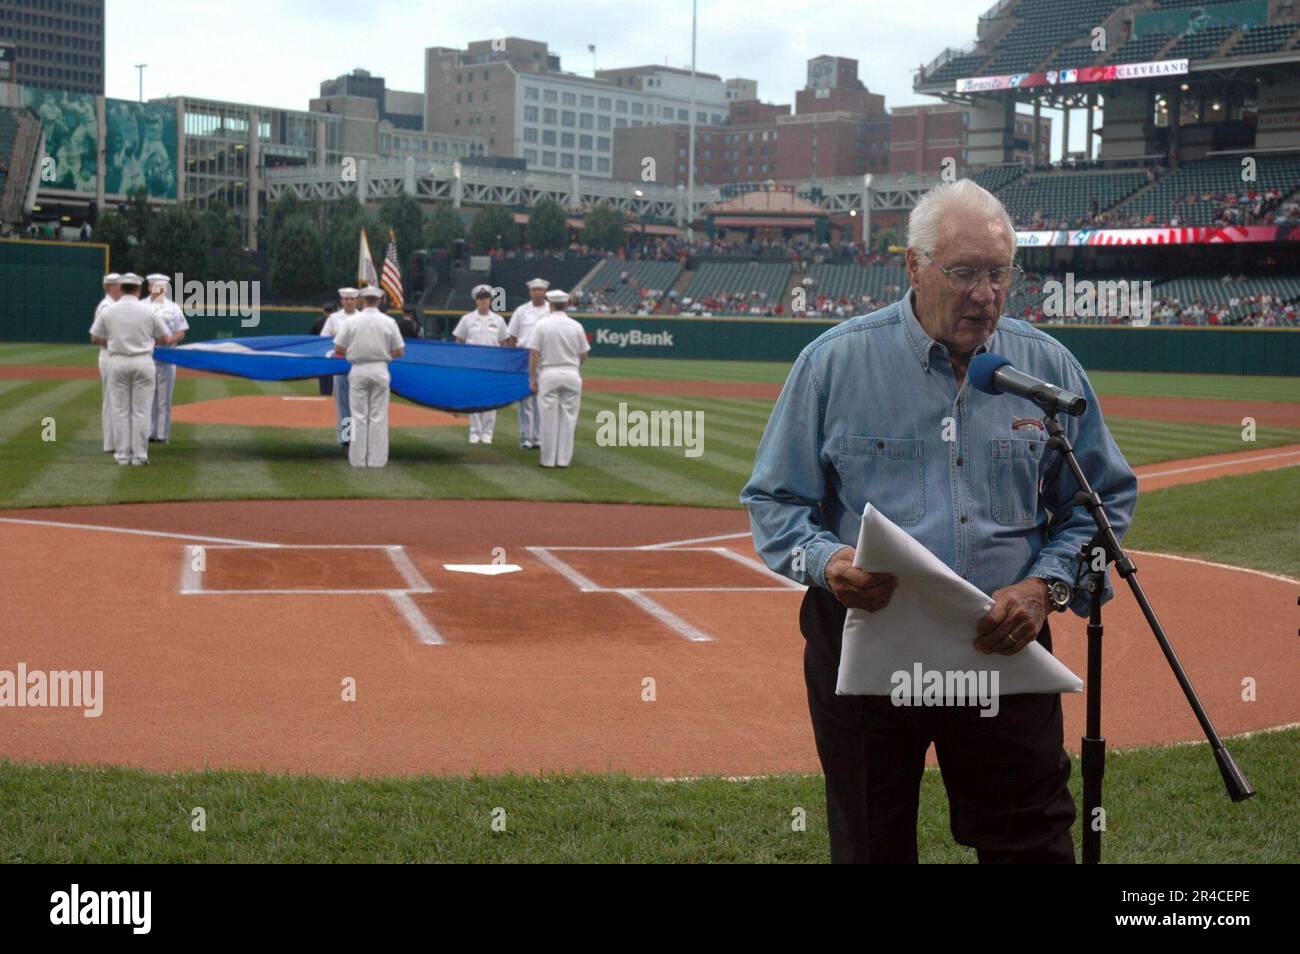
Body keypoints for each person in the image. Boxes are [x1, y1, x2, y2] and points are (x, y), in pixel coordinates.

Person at [740, 179, 1138, 864]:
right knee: (871, 840)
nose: (986, 294)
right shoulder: (833, 363)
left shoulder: (1044, 366)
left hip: (1005, 644)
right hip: (867, 646)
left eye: (999, 272)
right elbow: (776, 500)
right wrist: (829, 564)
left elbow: (1101, 503)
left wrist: (1048, 589)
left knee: (1032, 840)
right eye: (964, 273)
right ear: (914, 267)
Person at [89, 274, 173, 466]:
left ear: (122, 287)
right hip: (143, 361)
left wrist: (113, 341)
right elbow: (166, 338)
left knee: (120, 410)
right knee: (141, 411)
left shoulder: (109, 311)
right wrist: (149, 341)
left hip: (117, 361)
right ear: (138, 289)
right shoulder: (148, 311)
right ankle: (139, 456)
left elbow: (94, 337)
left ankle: (122, 455)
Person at [333, 286, 404, 468]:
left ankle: (357, 460)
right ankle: (376, 461)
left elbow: (338, 349)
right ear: (379, 300)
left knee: (357, 415)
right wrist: (384, 354)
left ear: (362, 300)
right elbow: (399, 351)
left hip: (358, 369)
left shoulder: (352, 322)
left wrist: (355, 349)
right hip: (380, 369)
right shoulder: (389, 321)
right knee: (378, 416)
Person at [528, 289, 589, 468]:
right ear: (567, 304)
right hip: (571, 373)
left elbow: (534, 353)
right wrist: (574, 366)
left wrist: (532, 378)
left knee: (547, 419)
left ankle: (547, 460)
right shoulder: (576, 326)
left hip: (549, 373)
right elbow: (584, 354)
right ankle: (563, 460)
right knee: (568, 419)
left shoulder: (542, 324)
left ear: (550, 304)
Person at [452, 284, 509, 444]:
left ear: (490, 300)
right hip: (473, 363)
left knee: (491, 398)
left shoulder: (498, 320)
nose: (483, 301)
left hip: (492, 364)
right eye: (480, 298)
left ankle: (487, 433)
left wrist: (503, 363)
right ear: (476, 300)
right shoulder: (467, 319)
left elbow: (504, 342)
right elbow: (459, 340)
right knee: (474, 397)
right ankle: (475, 432)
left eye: (485, 298)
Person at [506, 277, 550, 449]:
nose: (538, 292)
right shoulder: (521, 311)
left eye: (541, 289)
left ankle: (538, 438)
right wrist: (512, 359)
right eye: (535, 290)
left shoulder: (551, 311)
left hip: (546, 357)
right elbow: (513, 337)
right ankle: (526, 437)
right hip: (524, 356)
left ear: (545, 291)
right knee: (525, 402)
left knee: (542, 401)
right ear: (530, 292)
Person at [145, 274, 189, 443]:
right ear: (149, 287)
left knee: (164, 399)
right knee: (147, 397)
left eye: (162, 287)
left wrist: (167, 340)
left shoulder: (174, 308)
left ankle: (162, 435)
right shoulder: (141, 306)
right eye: (155, 286)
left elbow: (181, 331)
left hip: (167, 357)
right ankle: (148, 432)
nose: (159, 289)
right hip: (146, 356)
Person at [321, 288, 360, 446]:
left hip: (359, 364)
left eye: (352, 299)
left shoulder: (362, 318)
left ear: (357, 301)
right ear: (342, 301)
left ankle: (361, 437)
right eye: (346, 299)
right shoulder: (334, 318)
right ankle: (346, 437)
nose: (349, 301)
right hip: (341, 364)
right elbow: (323, 339)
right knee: (343, 403)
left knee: (360, 403)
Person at [93, 273, 123, 453]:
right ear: (110, 287)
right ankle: (111, 443)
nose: (121, 288)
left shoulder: (114, 306)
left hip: (114, 356)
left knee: (116, 400)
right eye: (119, 285)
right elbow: (96, 337)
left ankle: (115, 441)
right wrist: (116, 343)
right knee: (112, 400)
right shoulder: (105, 307)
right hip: (109, 356)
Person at [311, 304, 335, 396]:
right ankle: (329, 392)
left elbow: (312, 337)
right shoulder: (335, 321)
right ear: (333, 311)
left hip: (320, 348)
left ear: (323, 310)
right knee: (331, 371)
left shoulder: (318, 322)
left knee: (322, 371)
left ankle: (323, 392)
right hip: (332, 348)